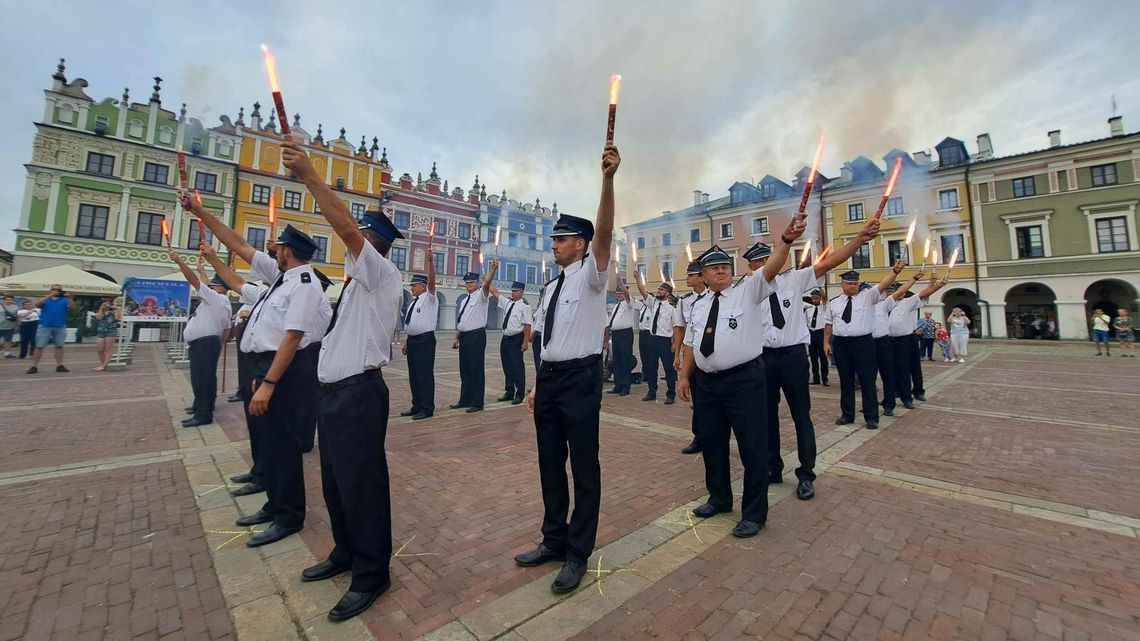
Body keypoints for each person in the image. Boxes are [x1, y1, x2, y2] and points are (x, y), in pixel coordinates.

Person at [278, 138, 404, 622]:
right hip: (334, 395)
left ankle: (372, 574)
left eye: (360, 236)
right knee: (335, 482)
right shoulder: (355, 285)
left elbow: (345, 226)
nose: (352, 241)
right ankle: (345, 551)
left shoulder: (382, 273)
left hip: (359, 395)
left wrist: (310, 175)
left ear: (372, 242)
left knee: (362, 485)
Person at [189, 194, 332, 548]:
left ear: (288, 252)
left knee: (283, 445)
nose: (272, 250)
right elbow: (238, 245)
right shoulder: (282, 277)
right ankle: (274, 503)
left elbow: (293, 336)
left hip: (283, 369)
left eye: (278, 247)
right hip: (265, 366)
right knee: (269, 442)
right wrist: (200, 212)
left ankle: (289, 516)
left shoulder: (305, 283)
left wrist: (269, 382)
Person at [515, 143, 619, 594]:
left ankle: (578, 552)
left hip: (581, 378)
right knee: (549, 462)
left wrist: (608, 180)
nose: (554, 244)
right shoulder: (551, 287)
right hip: (552, 379)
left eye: (561, 239)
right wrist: (538, 385)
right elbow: (548, 342)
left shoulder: (593, 276)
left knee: (584, 465)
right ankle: (553, 538)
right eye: (554, 239)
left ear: (580, 243)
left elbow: (605, 232)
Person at [676, 217, 804, 539]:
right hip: (708, 384)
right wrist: (684, 376)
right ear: (703, 276)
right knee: (713, 444)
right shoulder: (699, 305)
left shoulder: (748, 290)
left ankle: (754, 514)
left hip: (744, 381)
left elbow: (772, 267)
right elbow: (692, 343)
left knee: (752, 447)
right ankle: (719, 498)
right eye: (713, 268)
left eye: (725, 266)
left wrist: (786, 241)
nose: (721, 270)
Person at [751, 218, 879, 500]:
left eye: (766, 260)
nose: (763, 265)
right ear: (750, 268)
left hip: (793, 357)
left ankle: (806, 474)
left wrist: (859, 239)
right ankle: (773, 468)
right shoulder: (750, 287)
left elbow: (831, 262)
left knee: (801, 416)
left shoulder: (795, 280)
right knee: (766, 417)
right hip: (764, 359)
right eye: (757, 263)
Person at [201, 246, 267, 496]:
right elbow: (236, 283)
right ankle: (258, 470)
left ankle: (265, 476)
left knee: (265, 427)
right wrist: (213, 259)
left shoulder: (291, 290)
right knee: (255, 424)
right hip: (252, 360)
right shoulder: (265, 293)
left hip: (267, 365)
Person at [822, 262, 903, 429]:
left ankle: (871, 417)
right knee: (846, 381)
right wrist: (826, 342)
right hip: (841, 343)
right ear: (842, 284)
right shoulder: (834, 302)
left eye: (855, 283)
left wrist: (895, 271)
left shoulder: (868, 297)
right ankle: (847, 414)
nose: (853, 286)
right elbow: (828, 324)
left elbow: (883, 284)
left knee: (867, 381)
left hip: (863, 343)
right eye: (849, 283)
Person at [169, 247, 231, 426]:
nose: (209, 287)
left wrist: (179, 261)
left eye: (213, 286)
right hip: (210, 344)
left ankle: (203, 414)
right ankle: (204, 406)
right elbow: (227, 330)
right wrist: (201, 270)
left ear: (220, 288)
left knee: (200, 379)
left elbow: (195, 281)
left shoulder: (215, 298)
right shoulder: (223, 302)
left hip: (204, 344)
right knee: (207, 378)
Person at [887, 271, 948, 410]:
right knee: (894, 368)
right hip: (889, 340)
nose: (894, 294)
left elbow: (924, 293)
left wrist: (936, 285)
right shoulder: (885, 304)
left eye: (898, 291)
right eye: (891, 292)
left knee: (912, 367)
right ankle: (896, 391)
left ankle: (914, 393)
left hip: (906, 338)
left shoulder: (908, 302)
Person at [672, 260, 707, 454]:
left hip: (711, 355)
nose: (687, 278)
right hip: (692, 355)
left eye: (691, 275)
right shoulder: (684, 301)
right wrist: (677, 354)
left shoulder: (713, 296)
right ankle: (699, 437)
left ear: (701, 277)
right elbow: (680, 329)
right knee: (697, 398)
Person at [453, 262, 497, 413]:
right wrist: (457, 337)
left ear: (477, 283)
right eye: (467, 283)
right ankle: (465, 400)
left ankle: (477, 402)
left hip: (476, 336)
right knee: (464, 369)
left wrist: (492, 271)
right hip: (464, 336)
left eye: (471, 282)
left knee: (476, 369)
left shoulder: (481, 295)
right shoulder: (464, 300)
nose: (469, 285)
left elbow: (487, 284)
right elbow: (463, 320)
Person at [400, 258, 438, 420]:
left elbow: (432, 281)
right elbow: (412, 323)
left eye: (414, 285)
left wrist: (430, 261)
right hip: (413, 341)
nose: (412, 288)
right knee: (414, 375)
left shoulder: (430, 298)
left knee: (424, 375)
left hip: (425, 341)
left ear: (423, 286)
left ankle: (427, 408)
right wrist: (407, 342)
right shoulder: (413, 302)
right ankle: (416, 405)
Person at [632, 274, 677, 404]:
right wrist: (638, 279)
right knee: (651, 367)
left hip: (665, 341)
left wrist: (674, 343)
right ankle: (652, 392)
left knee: (668, 368)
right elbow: (642, 290)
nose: (658, 291)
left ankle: (671, 394)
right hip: (652, 339)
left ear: (667, 293)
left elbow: (676, 327)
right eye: (658, 289)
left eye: (661, 290)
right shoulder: (654, 303)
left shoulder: (672, 308)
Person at [494, 281, 533, 404]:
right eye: (512, 291)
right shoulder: (508, 303)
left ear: (522, 292)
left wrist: (525, 342)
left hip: (517, 339)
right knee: (507, 366)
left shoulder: (525, 306)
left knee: (517, 367)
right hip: (505, 338)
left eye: (515, 291)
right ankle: (509, 391)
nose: (513, 293)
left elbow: (527, 325)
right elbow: (495, 293)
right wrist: (487, 281)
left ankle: (519, 394)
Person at [27, 284, 72, 375]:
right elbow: (38, 304)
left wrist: (70, 298)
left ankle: (60, 365)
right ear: (50, 290)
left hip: (60, 325)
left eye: (58, 290)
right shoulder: (46, 299)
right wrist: (51, 295)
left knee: (59, 346)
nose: (56, 291)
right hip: (45, 325)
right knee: (39, 346)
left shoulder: (64, 300)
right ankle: (34, 366)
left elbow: (72, 307)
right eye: (54, 289)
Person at [606, 278, 637, 396]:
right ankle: (618, 385)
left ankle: (625, 386)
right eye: (618, 293)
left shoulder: (629, 304)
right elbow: (611, 322)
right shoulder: (616, 306)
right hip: (616, 334)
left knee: (625, 360)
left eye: (621, 293)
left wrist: (620, 282)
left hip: (625, 334)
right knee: (617, 361)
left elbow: (627, 295)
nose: (619, 295)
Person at [805, 288, 829, 385]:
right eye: (813, 298)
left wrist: (819, 286)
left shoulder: (824, 307)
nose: (814, 300)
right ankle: (816, 378)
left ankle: (825, 378)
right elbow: (806, 322)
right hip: (812, 333)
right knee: (813, 357)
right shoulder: (808, 310)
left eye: (816, 298)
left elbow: (824, 298)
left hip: (821, 333)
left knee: (823, 357)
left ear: (819, 298)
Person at [91, 300, 121, 371]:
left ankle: (104, 365)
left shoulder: (114, 311)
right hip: (101, 331)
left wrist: (117, 309)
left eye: (108, 303)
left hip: (111, 331)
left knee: (108, 349)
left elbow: (117, 318)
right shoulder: (99, 311)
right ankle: (102, 364)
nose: (107, 305)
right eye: (105, 303)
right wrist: (101, 308)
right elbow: (99, 317)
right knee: (100, 350)